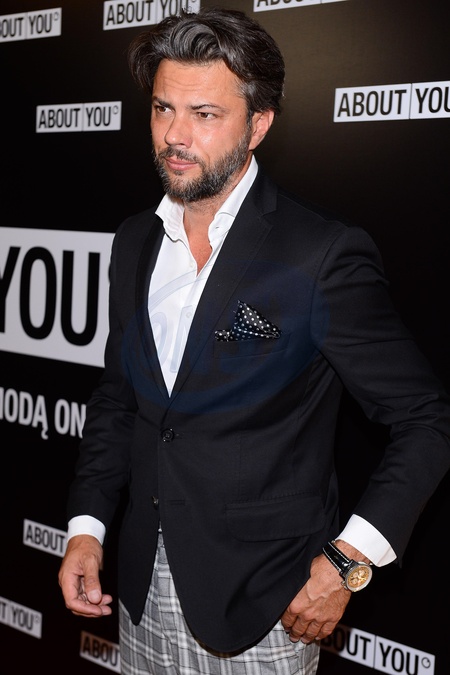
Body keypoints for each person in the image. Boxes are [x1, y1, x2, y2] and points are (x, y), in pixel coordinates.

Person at [58, 7, 450, 675]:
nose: (175, 135)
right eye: (162, 108)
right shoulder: (134, 241)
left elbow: (425, 419)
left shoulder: (319, 253)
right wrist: (86, 528)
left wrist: (347, 560)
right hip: (138, 591)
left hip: (263, 604)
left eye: (205, 114)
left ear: (258, 124)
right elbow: (119, 400)